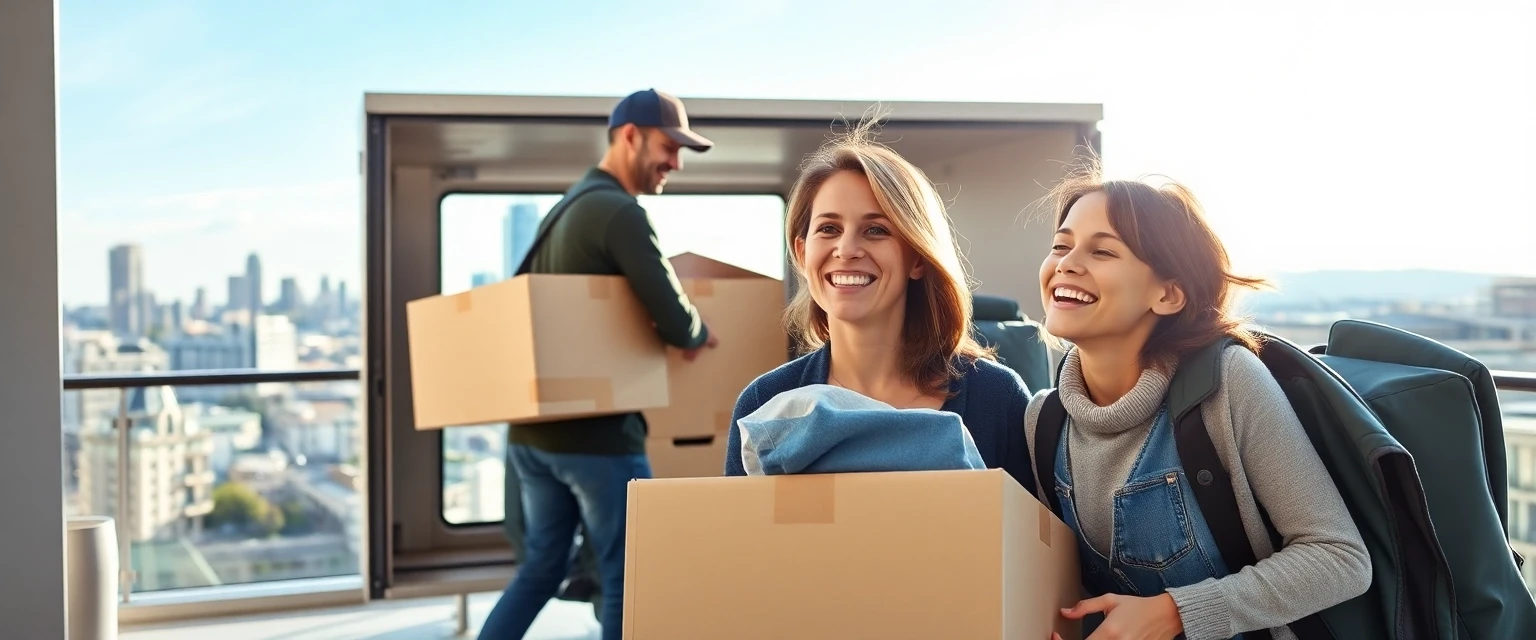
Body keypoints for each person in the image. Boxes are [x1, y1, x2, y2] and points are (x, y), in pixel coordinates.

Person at [1024, 164, 1371, 640]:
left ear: (1167, 295)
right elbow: (1067, 585)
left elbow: (1340, 558)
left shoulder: (1228, 383)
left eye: (1102, 250)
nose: (1066, 262)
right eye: (1061, 245)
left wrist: (1176, 613)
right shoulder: (1043, 419)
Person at [478, 88, 719, 640]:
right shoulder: (619, 213)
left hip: (533, 436)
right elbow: (676, 317)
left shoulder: (567, 208)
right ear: (629, 136)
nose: (675, 164)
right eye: (668, 147)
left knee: (541, 569)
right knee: (627, 577)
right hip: (597, 440)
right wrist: (702, 333)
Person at [722, 118, 1035, 491]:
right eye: (829, 229)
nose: (847, 250)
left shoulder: (997, 399)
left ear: (918, 258)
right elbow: (742, 545)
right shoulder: (764, 403)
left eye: (876, 230)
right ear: (802, 253)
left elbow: (1029, 543)